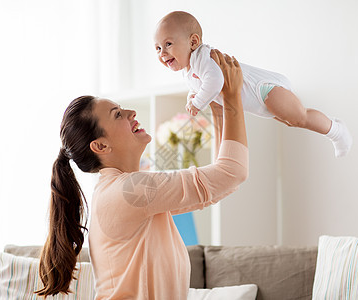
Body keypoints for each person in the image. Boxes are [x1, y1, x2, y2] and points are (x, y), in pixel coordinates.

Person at [36, 49, 248, 299]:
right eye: (118, 115)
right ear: (101, 146)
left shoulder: (127, 192)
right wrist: (232, 97)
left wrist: (218, 103)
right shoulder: (130, 192)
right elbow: (231, 172)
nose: (131, 113)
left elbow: (217, 183)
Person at [154, 11, 353, 158]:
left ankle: (336, 130)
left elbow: (215, 82)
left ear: (194, 41)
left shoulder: (204, 57)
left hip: (265, 89)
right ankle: (332, 128)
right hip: (259, 103)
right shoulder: (189, 70)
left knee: (300, 117)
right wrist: (192, 96)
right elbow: (199, 86)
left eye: (168, 44)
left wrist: (197, 103)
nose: (162, 53)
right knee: (289, 121)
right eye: (158, 48)